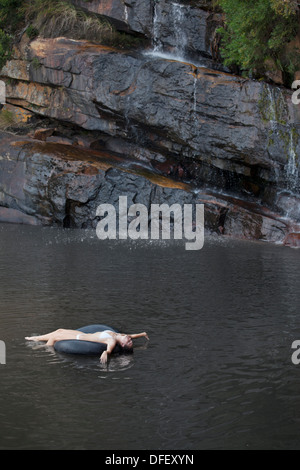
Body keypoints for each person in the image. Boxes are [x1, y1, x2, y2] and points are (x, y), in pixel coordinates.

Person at [25, 328, 149, 364]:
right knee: (59, 330)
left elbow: (108, 350)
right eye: (129, 339)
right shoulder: (119, 335)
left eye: (128, 341)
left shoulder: (112, 341)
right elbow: (133, 335)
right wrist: (142, 334)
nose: (128, 338)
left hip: (78, 339)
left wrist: (106, 353)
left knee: (55, 337)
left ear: (122, 344)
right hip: (83, 334)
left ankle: (44, 349)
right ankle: (36, 338)